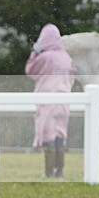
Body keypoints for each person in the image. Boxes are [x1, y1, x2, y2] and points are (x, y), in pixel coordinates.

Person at [25, 24, 76, 178]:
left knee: (48, 134)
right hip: (64, 101)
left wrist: (34, 53)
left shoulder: (45, 57)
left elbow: (30, 71)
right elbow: (72, 76)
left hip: (47, 101)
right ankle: (59, 172)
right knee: (60, 134)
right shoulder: (66, 57)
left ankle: (48, 173)